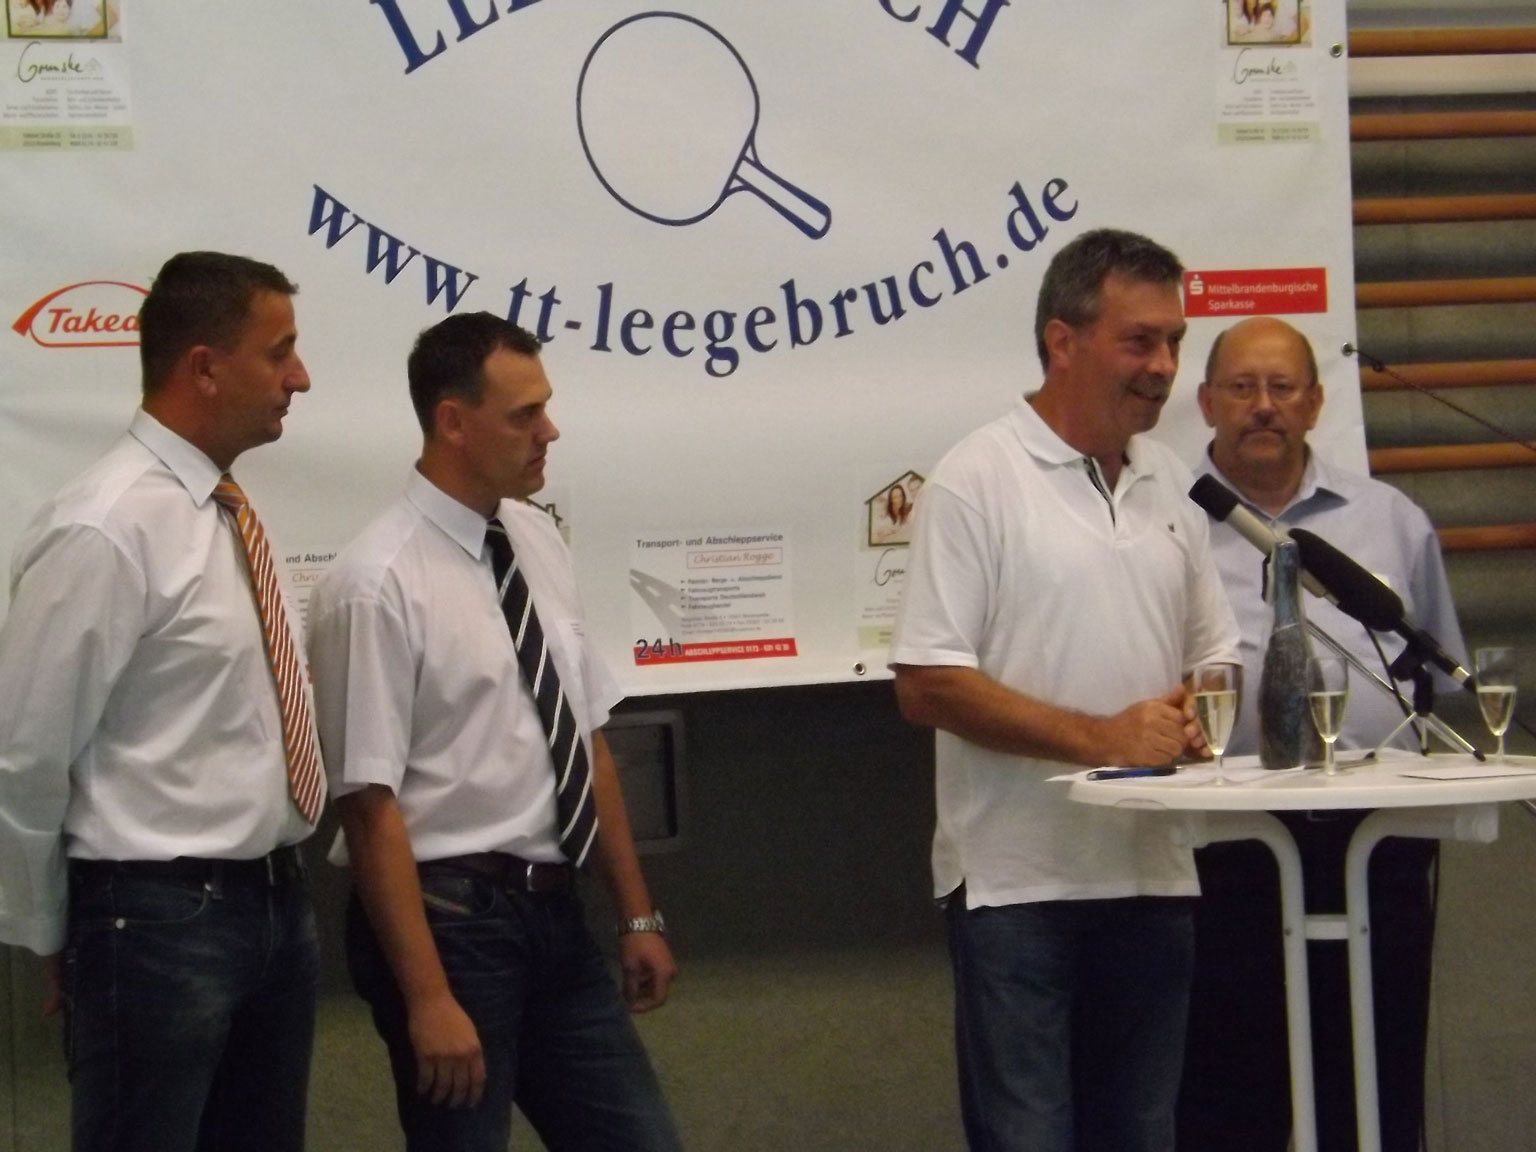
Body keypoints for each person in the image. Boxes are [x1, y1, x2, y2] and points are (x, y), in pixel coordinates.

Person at [889, 228, 1241, 1152]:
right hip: (1019, 887)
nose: (1163, 366)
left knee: (1142, 1133)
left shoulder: (1173, 481)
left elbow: (1216, 658)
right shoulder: (977, 479)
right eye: (1139, 341)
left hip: (1154, 873)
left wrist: (1198, 716)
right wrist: (1105, 739)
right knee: (1030, 1138)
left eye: (1174, 341)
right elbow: (927, 685)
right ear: (1062, 342)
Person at [306, 312, 681, 1152]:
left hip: (555, 911)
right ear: (453, 421)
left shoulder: (535, 537)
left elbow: (584, 736)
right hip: (448, 921)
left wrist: (636, 914)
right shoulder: (375, 584)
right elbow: (367, 807)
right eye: (524, 415)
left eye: (545, 408)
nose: (550, 431)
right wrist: (428, 997)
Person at [0, 251, 324, 1152]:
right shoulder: (104, 526)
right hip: (152, 919)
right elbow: (25, 753)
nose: (300, 377)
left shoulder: (225, 510)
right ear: (204, 367)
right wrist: (50, 929)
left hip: (274, 903)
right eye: (280, 352)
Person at [1178, 315, 1467, 1152]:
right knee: (1230, 1088)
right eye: (1242, 388)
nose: (1263, 406)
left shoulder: (1390, 518)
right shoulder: (1167, 522)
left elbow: (1433, 671)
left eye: (1282, 388)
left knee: (1374, 1074)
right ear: (1207, 403)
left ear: (1314, 403)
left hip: (1377, 844)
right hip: (1221, 844)